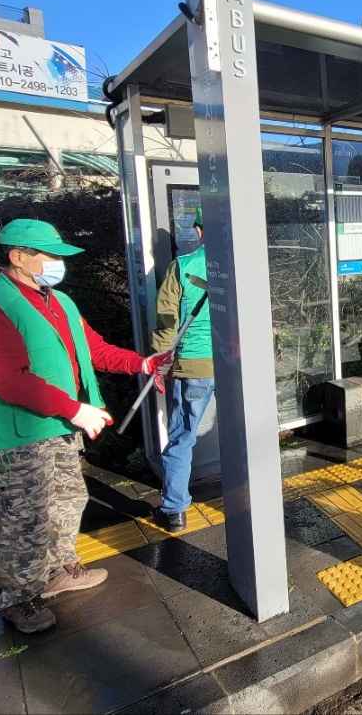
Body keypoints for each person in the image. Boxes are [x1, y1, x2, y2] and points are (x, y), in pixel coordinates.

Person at [0, 219, 172, 634]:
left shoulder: (59, 302)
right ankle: (20, 598)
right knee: (28, 519)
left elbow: (94, 349)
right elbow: (9, 379)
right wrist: (74, 409)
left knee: (68, 500)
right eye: (49, 256)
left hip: (57, 427)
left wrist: (141, 364)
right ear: (17, 257)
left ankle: (56, 573)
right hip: (16, 436)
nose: (57, 263)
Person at [150, 203, 214, 532]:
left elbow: (166, 323)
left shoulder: (182, 266)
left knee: (182, 436)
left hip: (194, 367)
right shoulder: (239, 267)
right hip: (234, 365)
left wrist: (160, 364)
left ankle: (174, 510)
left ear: (199, 231)